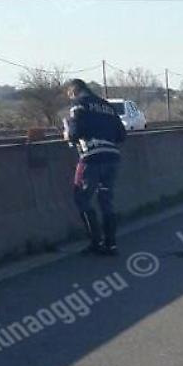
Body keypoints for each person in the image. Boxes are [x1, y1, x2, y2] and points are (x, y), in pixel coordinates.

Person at [63, 78, 126, 254]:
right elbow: (122, 135)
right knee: (106, 199)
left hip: (91, 158)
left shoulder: (79, 105)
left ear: (74, 91)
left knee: (81, 197)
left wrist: (67, 133)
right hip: (112, 157)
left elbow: (75, 133)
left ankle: (95, 241)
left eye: (69, 94)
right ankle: (111, 244)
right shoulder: (107, 106)